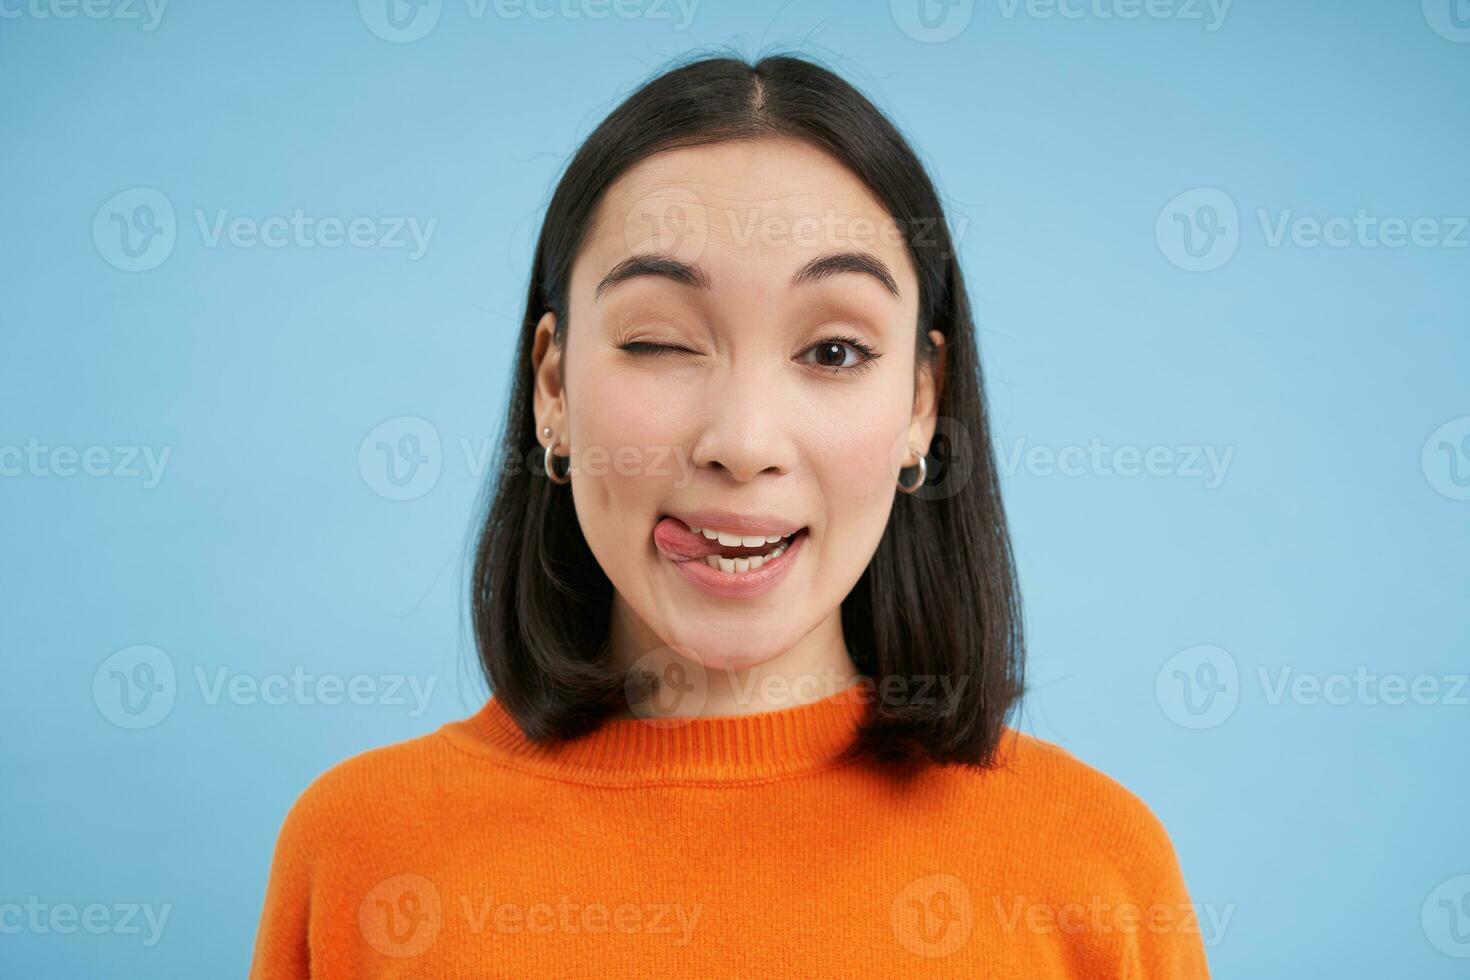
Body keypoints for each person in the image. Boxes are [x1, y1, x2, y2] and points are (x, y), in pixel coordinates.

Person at [249, 51, 1212, 978]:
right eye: (660, 342)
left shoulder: (1096, 869)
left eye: (834, 352)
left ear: (923, 402)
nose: (743, 441)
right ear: (553, 386)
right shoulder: (364, 851)